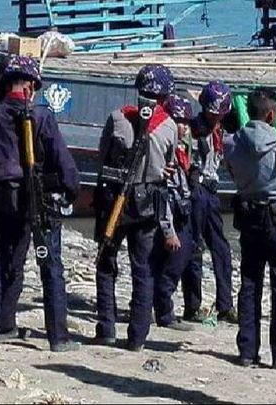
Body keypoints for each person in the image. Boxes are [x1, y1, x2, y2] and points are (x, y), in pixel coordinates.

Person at [0, 54, 80, 352]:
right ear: (30, 86)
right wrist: (71, 190)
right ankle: (58, 337)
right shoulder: (41, 117)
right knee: (47, 263)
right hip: (31, 197)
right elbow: (62, 161)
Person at [94, 64, 178, 351]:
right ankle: (137, 336)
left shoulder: (118, 118)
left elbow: (101, 159)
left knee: (107, 264)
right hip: (147, 203)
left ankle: (106, 327)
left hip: (114, 200)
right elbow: (170, 167)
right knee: (143, 270)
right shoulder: (169, 127)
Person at [224, 87, 276, 370]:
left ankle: (247, 350)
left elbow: (231, 171)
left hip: (249, 213)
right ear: (271, 113)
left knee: (250, 282)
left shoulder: (232, 143)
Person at [182, 80, 238, 324]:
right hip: (196, 191)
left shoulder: (221, 130)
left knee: (222, 250)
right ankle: (192, 305)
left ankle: (225, 304)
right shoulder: (193, 130)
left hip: (212, 193)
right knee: (194, 249)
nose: (217, 117)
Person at [150, 95, 196, 332]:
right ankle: (163, 313)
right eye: (180, 121)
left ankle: (159, 308)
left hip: (182, 211)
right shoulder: (165, 148)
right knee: (169, 265)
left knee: (177, 262)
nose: (184, 128)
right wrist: (168, 230)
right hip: (168, 213)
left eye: (187, 123)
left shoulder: (183, 149)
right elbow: (162, 192)